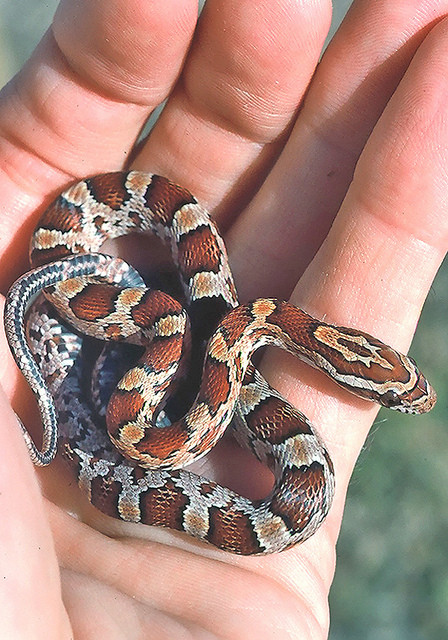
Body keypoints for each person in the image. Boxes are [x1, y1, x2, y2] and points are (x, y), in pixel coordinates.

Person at [0, 1, 446, 637]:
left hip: (132, 404)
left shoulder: (253, 330)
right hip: (112, 349)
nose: (404, 398)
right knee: (172, 333)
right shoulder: (240, 330)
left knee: (184, 348)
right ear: (353, 370)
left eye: (395, 388)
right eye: (394, 390)